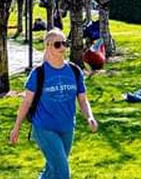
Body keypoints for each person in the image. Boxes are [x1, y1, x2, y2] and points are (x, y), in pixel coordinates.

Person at [9, 29, 98, 179]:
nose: (63, 48)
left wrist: (90, 117)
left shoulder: (75, 71)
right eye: (58, 44)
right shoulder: (39, 73)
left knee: (52, 169)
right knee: (62, 172)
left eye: (65, 43)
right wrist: (16, 127)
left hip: (67, 128)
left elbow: (83, 99)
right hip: (44, 128)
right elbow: (26, 102)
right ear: (48, 46)